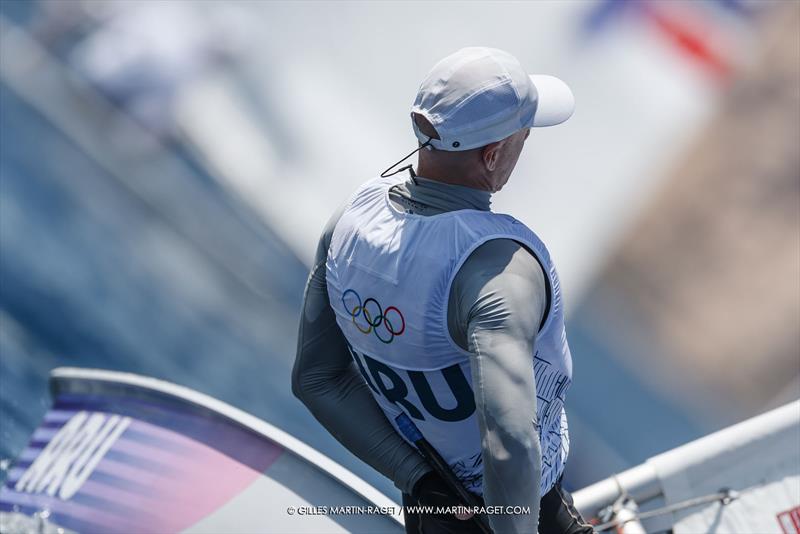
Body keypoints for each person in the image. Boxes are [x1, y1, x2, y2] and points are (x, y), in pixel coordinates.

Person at [293, 47, 594, 534]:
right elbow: (508, 443)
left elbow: (317, 379)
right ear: (493, 155)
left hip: (431, 512)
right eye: (524, 135)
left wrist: (419, 480)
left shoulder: (348, 222)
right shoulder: (500, 269)